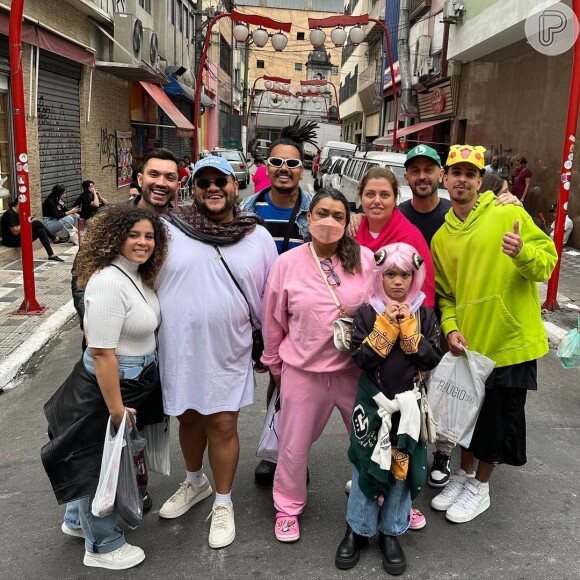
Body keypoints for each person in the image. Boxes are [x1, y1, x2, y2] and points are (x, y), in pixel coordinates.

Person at [429, 145, 557, 523]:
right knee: (467, 420)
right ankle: (464, 475)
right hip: (470, 347)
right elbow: (445, 296)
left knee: (497, 423)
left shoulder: (506, 213)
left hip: (510, 343)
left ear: (480, 179)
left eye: (471, 174)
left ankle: (480, 488)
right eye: (456, 173)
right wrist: (450, 329)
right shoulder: (441, 239)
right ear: (445, 179)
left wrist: (522, 253)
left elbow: (546, 263)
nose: (462, 180)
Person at [156, 155, 277, 550]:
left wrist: (272, 350)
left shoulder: (256, 236)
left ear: (234, 185)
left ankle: (224, 501)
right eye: (204, 181)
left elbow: (271, 296)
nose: (212, 188)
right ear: (193, 189)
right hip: (178, 349)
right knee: (188, 419)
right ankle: (196, 482)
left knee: (222, 425)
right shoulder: (168, 230)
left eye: (220, 181)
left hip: (229, 349)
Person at [41, 205, 168, 570]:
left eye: (149, 236)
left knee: (91, 453)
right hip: (112, 384)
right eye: (134, 235)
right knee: (101, 461)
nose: (143, 242)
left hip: (131, 380)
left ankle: (78, 521)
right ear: (115, 237)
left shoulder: (137, 275)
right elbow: (100, 353)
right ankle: (103, 546)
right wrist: (115, 409)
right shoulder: (109, 280)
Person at [399, 145, 522, 494]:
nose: (423, 176)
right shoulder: (401, 215)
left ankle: (444, 457)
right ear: (408, 177)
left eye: (430, 169)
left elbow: (537, 255)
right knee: (415, 390)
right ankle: (406, 454)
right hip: (417, 319)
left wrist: (511, 206)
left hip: (455, 322)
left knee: (456, 395)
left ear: (441, 175)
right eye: (415, 170)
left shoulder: (469, 212)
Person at [261, 188, 375, 543]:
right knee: (293, 446)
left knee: (369, 441)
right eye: (321, 213)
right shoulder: (287, 263)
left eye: (338, 216)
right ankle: (288, 507)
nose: (329, 222)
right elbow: (273, 320)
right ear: (307, 218)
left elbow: (379, 307)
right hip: (303, 372)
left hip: (353, 372)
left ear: (348, 222)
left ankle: (377, 494)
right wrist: (276, 366)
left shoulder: (365, 260)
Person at [335, 243, 442, 575]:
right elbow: (361, 359)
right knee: (364, 465)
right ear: (379, 275)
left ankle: (393, 531)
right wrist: (387, 328)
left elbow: (432, 358)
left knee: (400, 469)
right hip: (371, 405)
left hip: (407, 410)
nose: (397, 282)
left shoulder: (424, 315)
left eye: (404, 275)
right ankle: (358, 528)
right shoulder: (367, 313)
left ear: (415, 277)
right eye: (390, 274)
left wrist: (410, 332)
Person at [240, 120, 318, 486]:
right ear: (265, 166)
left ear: (303, 169)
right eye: (277, 163)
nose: (284, 170)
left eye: (292, 164)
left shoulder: (316, 211)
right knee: (275, 380)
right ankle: (278, 448)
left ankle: (289, 452)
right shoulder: (246, 211)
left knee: (297, 388)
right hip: (257, 314)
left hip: (302, 316)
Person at [354, 166, 436, 309]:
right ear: (361, 197)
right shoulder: (352, 233)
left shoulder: (410, 236)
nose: (377, 201)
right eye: (370, 194)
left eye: (385, 195)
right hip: (358, 321)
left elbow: (426, 290)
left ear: (395, 199)